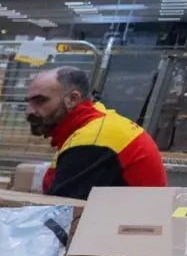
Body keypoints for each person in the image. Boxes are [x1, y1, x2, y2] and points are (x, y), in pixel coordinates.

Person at [24, 65, 166, 198]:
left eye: (41, 101)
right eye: (29, 102)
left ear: (72, 99)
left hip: (133, 215)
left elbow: (61, 208)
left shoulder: (92, 141)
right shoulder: (92, 124)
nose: (29, 111)